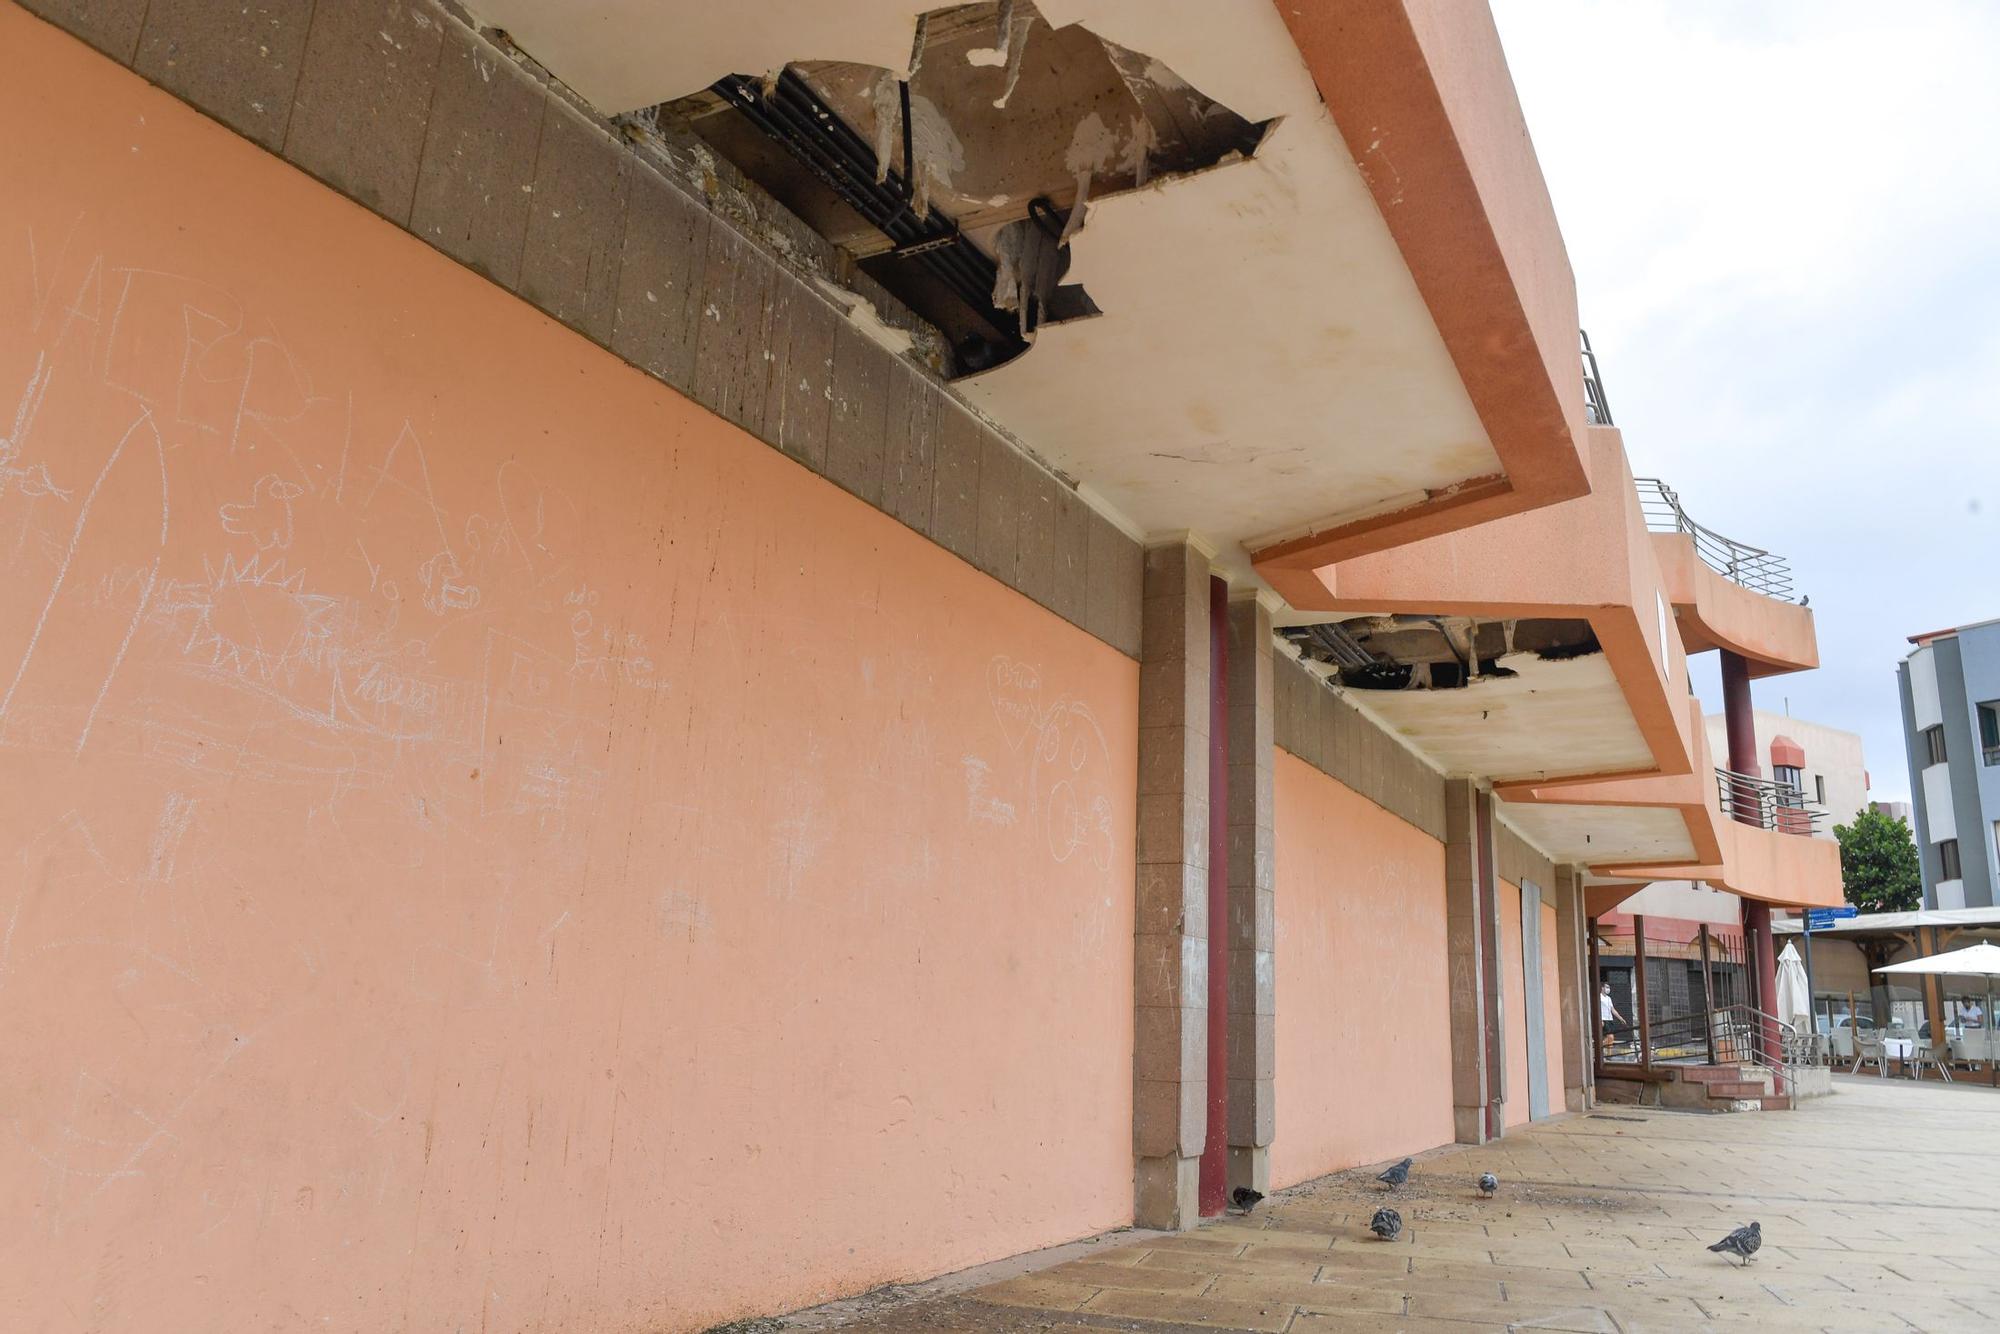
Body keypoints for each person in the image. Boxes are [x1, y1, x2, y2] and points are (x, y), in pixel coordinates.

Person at [1599, 981, 1627, 1059]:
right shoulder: (1599, 997)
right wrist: (1600, 1019)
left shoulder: (1609, 998)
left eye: (1609, 987)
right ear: (1602, 988)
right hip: (1603, 1019)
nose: (1608, 989)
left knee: (1611, 1039)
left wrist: (1620, 1018)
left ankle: (1609, 1055)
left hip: (1609, 1019)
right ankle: (1599, 1047)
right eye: (1606, 987)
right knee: (1610, 1037)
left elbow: (1613, 1010)